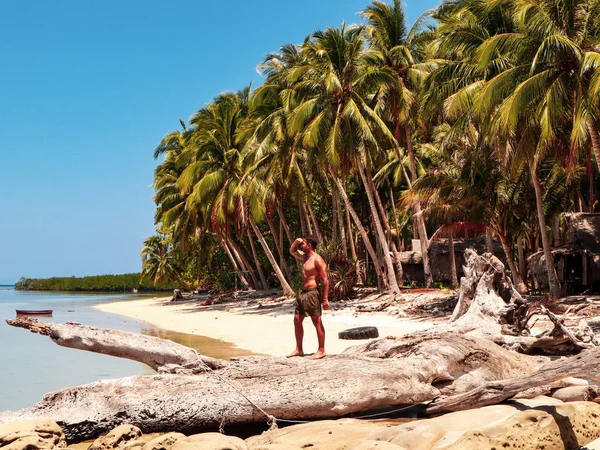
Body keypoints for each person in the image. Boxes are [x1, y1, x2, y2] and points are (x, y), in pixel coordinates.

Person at [287, 235, 329, 359]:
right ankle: (299, 349)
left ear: (309, 245)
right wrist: (296, 241)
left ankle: (321, 350)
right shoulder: (304, 257)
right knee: (297, 319)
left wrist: (325, 299)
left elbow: (325, 280)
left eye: (303, 243)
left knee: (316, 321)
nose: (301, 245)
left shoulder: (317, 259)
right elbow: (292, 251)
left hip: (312, 293)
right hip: (302, 293)